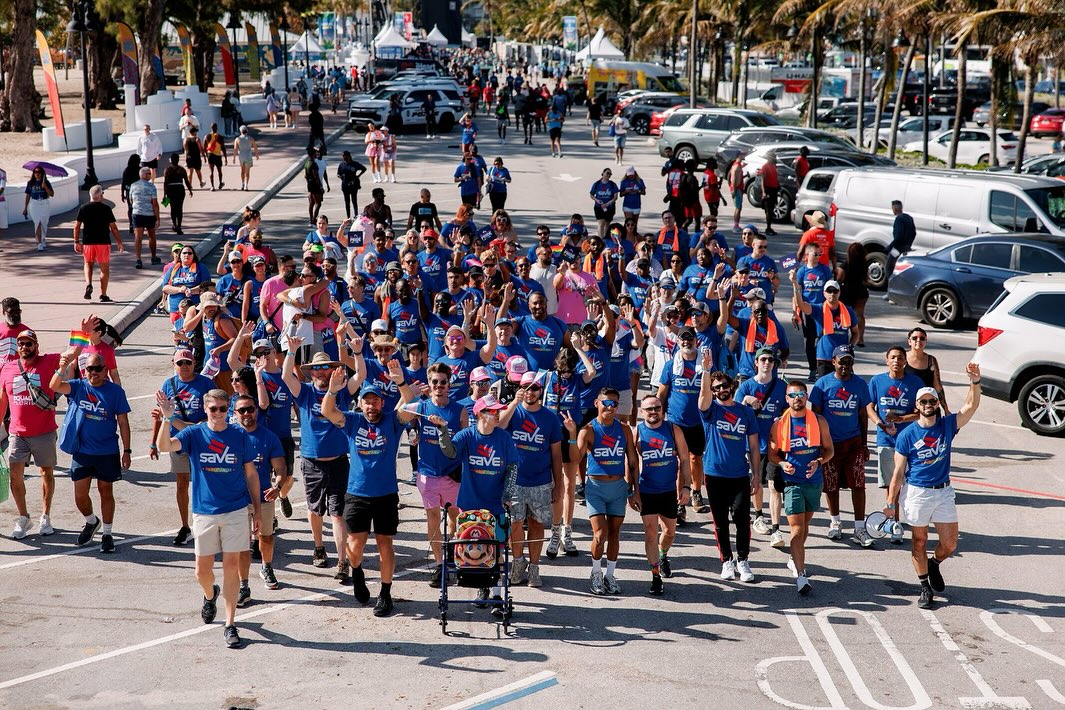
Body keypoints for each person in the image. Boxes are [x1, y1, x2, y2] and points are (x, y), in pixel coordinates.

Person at [154, 388, 261, 649]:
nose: (218, 414)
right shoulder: (194, 433)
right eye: (213, 409)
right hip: (204, 511)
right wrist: (167, 418)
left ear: (229, 410)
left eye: (223, 409)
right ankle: (209, 594)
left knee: (231, 566)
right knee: (202, 571)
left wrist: (256, 509)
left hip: (235, 509)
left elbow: (250, 474)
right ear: (206, 409)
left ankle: (230, 623)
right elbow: (164, 446)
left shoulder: (239, 436)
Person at [885, 364, 982, 609]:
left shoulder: (947, 425)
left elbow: (970, 407)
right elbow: (897, 473)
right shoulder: (907, 435)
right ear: (917, 406)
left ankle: (934, 563)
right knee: (918, 541)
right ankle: (925, 587)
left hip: (944, 492)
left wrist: (975, 382)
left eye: (932, 401)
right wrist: (889, 503)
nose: (929, 405)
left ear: (937, 404)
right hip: (917, 493)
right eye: (924, 401)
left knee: (950, 544)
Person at [323, 365, 412, 618]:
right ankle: (358, 572)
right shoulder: (352, 421)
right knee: (355, 543)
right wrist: (332, 390)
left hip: (385, 494)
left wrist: (401, 382)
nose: (371, 407)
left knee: (385, 544)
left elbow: (411, 405)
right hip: (357, 493)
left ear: (382, 403)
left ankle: (385, 593)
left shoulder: (393, 422)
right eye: (367, 402)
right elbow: (328, 411)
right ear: (360, 405)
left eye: (375, 402)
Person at [50, 349, 132, 552]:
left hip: (107, 450)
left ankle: (107, 533)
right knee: (80, 495)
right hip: (82, 451)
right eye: (89, 369)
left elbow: (123, 421)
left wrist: (127, 450)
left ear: (105, 370)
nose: (93, 373)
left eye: (97, 369)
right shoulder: (78, 386)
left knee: (106, 492)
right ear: (84, 371)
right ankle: (91, 521)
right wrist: (62, 367)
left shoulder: (115, 392)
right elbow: (54, 386)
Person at [282, 340, 351, 578]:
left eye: (325, 368)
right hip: (311, 460)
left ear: (332, 370)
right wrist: (291, 350)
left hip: (339, 460)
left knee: (338, 513)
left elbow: (360, 374)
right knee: (314, 510)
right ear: (311, 372)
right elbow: (285, 376)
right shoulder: (305, 391)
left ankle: (343, 561)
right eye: (317, 368)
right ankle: (319, 548)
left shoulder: (342, 390)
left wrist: (350, 345)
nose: (321, 372)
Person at [569, 387, 640, 595]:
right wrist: (573, 434)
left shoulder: (625, 429)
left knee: (615, 534)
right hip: (596, 488)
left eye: (614, 404)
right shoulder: (588, 430)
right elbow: (575, 459)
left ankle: (610, 575)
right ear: (597, 403)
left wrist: (635, 491)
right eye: (606, 403)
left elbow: (633, 461)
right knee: (600, 534)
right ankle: (596, 572)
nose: (610, 407)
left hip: (618, 487)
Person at [768, 379, 834, 595]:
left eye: (801, 394)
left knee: (804, 528)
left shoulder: (819, 420)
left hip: (814, 482)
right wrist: (781, 463)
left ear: (806, 397)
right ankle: (801, 575)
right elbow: (772, 453)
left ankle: (793, 558)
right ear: (786, 399)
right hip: (792, 483)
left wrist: (819, 462)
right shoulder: (779, 424)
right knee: (796, 529)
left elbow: (829, 450)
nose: (797, 398)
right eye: (792, 395)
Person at [698, 364, 761, 582]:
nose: (721, 390)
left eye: (724, 385)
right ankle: (727, 560)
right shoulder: (711, 410)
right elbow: (702, 400)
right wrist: (706, 372)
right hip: (714, 474)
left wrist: (757, 477)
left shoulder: (745, 412)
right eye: (716, 388)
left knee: (742, 520)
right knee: (720, 522)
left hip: (740, 475)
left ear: (732, 386)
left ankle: (743, 561)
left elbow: (754, 446)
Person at [0, 328, 61, 538]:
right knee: (15, 475)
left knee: (46, 473)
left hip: (44, 432)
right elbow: (2, 401)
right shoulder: (7, 369)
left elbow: (73, 354)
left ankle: (45, 516)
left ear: (36, 346)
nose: (24, 347)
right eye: (21, 344)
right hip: (17, 433)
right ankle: (24, 517)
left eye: (29, 344)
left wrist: (83, 334)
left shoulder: (48, 362)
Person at [810, 344, 873, 546]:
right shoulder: (822, 384)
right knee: (831, 484)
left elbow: (863, 416)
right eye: (841, 361)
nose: (845, 365)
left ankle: (859, 527)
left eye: (849, 361)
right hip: (830, 444)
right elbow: (815, 416)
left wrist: (864, 444)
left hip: (853, 442)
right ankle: (835, 522)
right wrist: (818, 444)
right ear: (833, 361)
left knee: (858, 483)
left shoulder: (860, 385)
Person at [866, 345, 924, 543]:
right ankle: (894, 523)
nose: (896, 361)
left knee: (910, 484)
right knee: (891, 484)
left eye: (900, 357)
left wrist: (901, 418)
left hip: (910, 440)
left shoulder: (915, 383)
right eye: (893, 357)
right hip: (886, 440)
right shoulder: (876, 381)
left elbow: (921, 412)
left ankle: (913, 520)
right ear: (886, 360)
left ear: (905, 361)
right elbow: (869, 406)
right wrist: (879, 423)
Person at [635, 394, 691, 595]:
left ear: (662, 410)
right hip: (647, 491)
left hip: (668, 491)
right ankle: (655, 575)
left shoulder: (672, 429)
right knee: (650, 533)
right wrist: (632, 491)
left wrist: (686, 487)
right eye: (649, 409)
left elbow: (685, 459)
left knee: (670, 532)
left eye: (657, 408)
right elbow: (631, 464)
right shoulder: (638, 432)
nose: (653, 412)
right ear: (642, 412)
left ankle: (663, 554)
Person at [791, 276, 858, 379]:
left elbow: (856, 333)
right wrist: (795, 284)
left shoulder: (849, 311)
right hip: (824, 357)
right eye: (829, 291)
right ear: (824, 294)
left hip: (843, 357)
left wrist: (851, 346)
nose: (832, 294)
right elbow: (801, 305)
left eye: (835, 291)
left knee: (846, 388)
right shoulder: (819, 309)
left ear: (839, 293)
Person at [73, 185, 124, 303]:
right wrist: (119, 242)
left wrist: (76, 241)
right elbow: (113, 228)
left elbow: (77, 226)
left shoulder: (83, 208)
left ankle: (89, 284)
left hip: (88, 242)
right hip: (103, 242)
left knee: (88, 263)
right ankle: (103, 294)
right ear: (100, 195)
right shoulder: (106, 208)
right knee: (104, 268)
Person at [905, 327, 949, 411]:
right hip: (908, 405)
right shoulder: (902, 358)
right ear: (909, 341)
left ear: (925, 342)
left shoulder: (931, 360)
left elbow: (938, 387)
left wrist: (946, 409)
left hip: (927, 405)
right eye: (914, 338)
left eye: (922, 338)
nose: (918, 340)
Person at [840, 242, 869, 347]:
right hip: (861, 291)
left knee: (844, 314)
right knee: (859, 315)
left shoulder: (846, 264)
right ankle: (860, 339)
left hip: (848, 292)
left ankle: (844, 335)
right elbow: (867, 280)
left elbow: (840, 278)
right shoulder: (864, 264)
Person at [23, 166, 54, 251]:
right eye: (35, 172)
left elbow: (51, 194)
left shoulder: (46, 182)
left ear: (42, 173)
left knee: (44, 223)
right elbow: (28, 195)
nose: (37, 174)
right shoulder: (30, 183)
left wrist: (45, 187)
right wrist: (25, 208)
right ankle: (39, 242)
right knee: (38, 222)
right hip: (34, 203)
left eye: (39, 172)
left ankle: (43, 239)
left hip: (44, 203)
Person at [163, 154, 193, 235]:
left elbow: (165, 182)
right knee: (179, 208)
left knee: (173, 208)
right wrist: (190, 189)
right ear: (178, 160)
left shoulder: (167, 170)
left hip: (171, 189)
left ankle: (174, 225)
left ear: (171, 160)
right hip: (180, 189)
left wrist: (164, 194)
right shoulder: (182, 169)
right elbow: (186, 181)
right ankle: (179, 225)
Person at [887, 200, 916, 275]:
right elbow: (914, 233)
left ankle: (889, 285)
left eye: (892, 208)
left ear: (895, 209)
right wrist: (908, 244)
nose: (892, 210)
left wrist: (889, 247)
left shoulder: (899, 219)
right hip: (907, 248)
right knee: (902, 269)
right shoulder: (909, 218)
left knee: (889, 267)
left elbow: (898, 237)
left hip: (898, 249)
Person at [589, 168, 619, 238]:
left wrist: (608, 203)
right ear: (603, 173)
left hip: (610, 207)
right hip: (599, 207)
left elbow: (615, 197)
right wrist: (596, 200)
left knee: (607, 223)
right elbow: (591, 195)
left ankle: (606, 238)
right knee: (601, 223)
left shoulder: (612, 184)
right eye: (607, 173)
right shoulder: (596, 184)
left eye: (610, 174)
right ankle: (600, 239)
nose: (609, 175)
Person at [337, 151, 367, 220]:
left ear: (349, 156)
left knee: (354, 200)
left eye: (344, 156)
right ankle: (348, 217)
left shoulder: (354, 164)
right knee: (347, 202)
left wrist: (358, 176)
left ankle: (356, 215)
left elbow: (364, 168)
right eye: (343, 156)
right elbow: (338, 173)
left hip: (353, 185)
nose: (343, 157)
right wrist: (340, 176)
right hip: (345, 185)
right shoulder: (342, 165)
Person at [756, 152, 780, 236]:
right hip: (768, 189)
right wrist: (764, 192)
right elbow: (763, 181)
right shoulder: (765, 167)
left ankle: (769, 227)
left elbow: (775, 178)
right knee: (768, 210)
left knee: (772, 209)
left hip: (774, 190)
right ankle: (768, 227)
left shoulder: (774, 166)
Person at [233, 125, 260, 192]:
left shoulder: (237, 139)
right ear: (246, 131)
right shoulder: (250, 138)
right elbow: (255, 147)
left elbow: (235, 149)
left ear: (240, 131)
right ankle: (246, 185)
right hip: (248, 156)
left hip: (241, 156)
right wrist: (257, 155)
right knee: (247, 172)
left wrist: (234, 158)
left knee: (242, 170)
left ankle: (242, 184)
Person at [203, 122, 228, 191]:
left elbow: (204, 147)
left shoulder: (207, 136)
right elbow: (223, 148)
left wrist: (206, 156)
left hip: (210, 155)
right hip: (218, 155)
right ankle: (220, 184)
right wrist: (225, 158)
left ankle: (212, 186)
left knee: (211, 171)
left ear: (210, 128)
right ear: (216, 128)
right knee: (219, 171)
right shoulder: (220, 137)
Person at [304, 149, 326, 225]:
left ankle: (310, 219)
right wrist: (320, 186)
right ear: (313, 154)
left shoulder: (307, 163)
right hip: (315, 186)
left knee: (311, 203)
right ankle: (313, 220)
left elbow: (305, 176)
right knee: (318, 203)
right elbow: (316, 176)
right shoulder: (313, 164)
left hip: (309, 185)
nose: (316, 154)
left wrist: (309, 183)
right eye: (315, 153)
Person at [727, 158, 744, 232]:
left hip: (738, 188)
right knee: (738, 207)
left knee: (739, 207)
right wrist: (734, 189)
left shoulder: (737, 165)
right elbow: (733, 178)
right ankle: (735, 226)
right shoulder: (736, 166)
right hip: (737, 189)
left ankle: (737, 225)